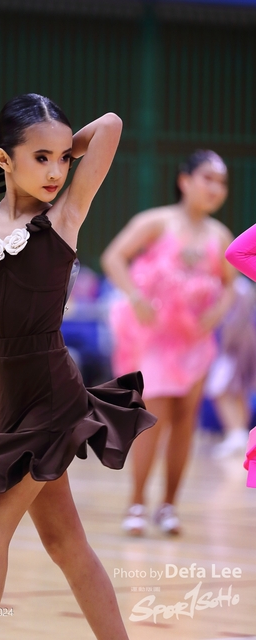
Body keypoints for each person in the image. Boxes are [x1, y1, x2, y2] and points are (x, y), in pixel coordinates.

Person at [0, 93, 156, 640]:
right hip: (11, 397)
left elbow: (112, 124)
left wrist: (56, 145)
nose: (55, 171)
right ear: (5, 160)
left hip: (52, 394)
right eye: (41, 157)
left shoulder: (65, 217)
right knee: (65, 544)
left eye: (63, 158)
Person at [101, 150, 235, 536]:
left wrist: (216, 314)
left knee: (185, 421)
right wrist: (135, 297)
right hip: (155, 339)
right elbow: (113, 257)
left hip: (195, 342)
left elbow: (230, 285)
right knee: (153, 418)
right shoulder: (156, 222)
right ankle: (137, 502)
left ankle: (169, 506)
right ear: (184, 180)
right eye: (207, 178)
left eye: (222, 182)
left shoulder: (220, 236)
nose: (215, 188)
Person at [205, 275, 256, 459]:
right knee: (238, 391)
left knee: (220, 389)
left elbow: (237, 319)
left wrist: (229, 343)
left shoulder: (235, 287)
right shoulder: (242, 286)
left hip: (234, 347)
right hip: (241, 346)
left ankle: (236, 432)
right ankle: (240, 433)